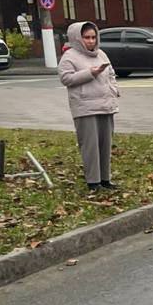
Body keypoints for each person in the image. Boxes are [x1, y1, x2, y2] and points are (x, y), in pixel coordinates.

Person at [58, 21, 120, 193]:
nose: (91, 41)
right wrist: (90, 73)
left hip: (105, 105)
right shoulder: (69, 56)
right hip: (85, 107)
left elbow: (111, 73)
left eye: (93, 37)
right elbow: (65, 78)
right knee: (90, 146)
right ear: (77, 38)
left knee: (105, 144)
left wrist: (113, 89)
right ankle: (93, 182)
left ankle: (105, 179)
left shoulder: (101, 54)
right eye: (87, 37)